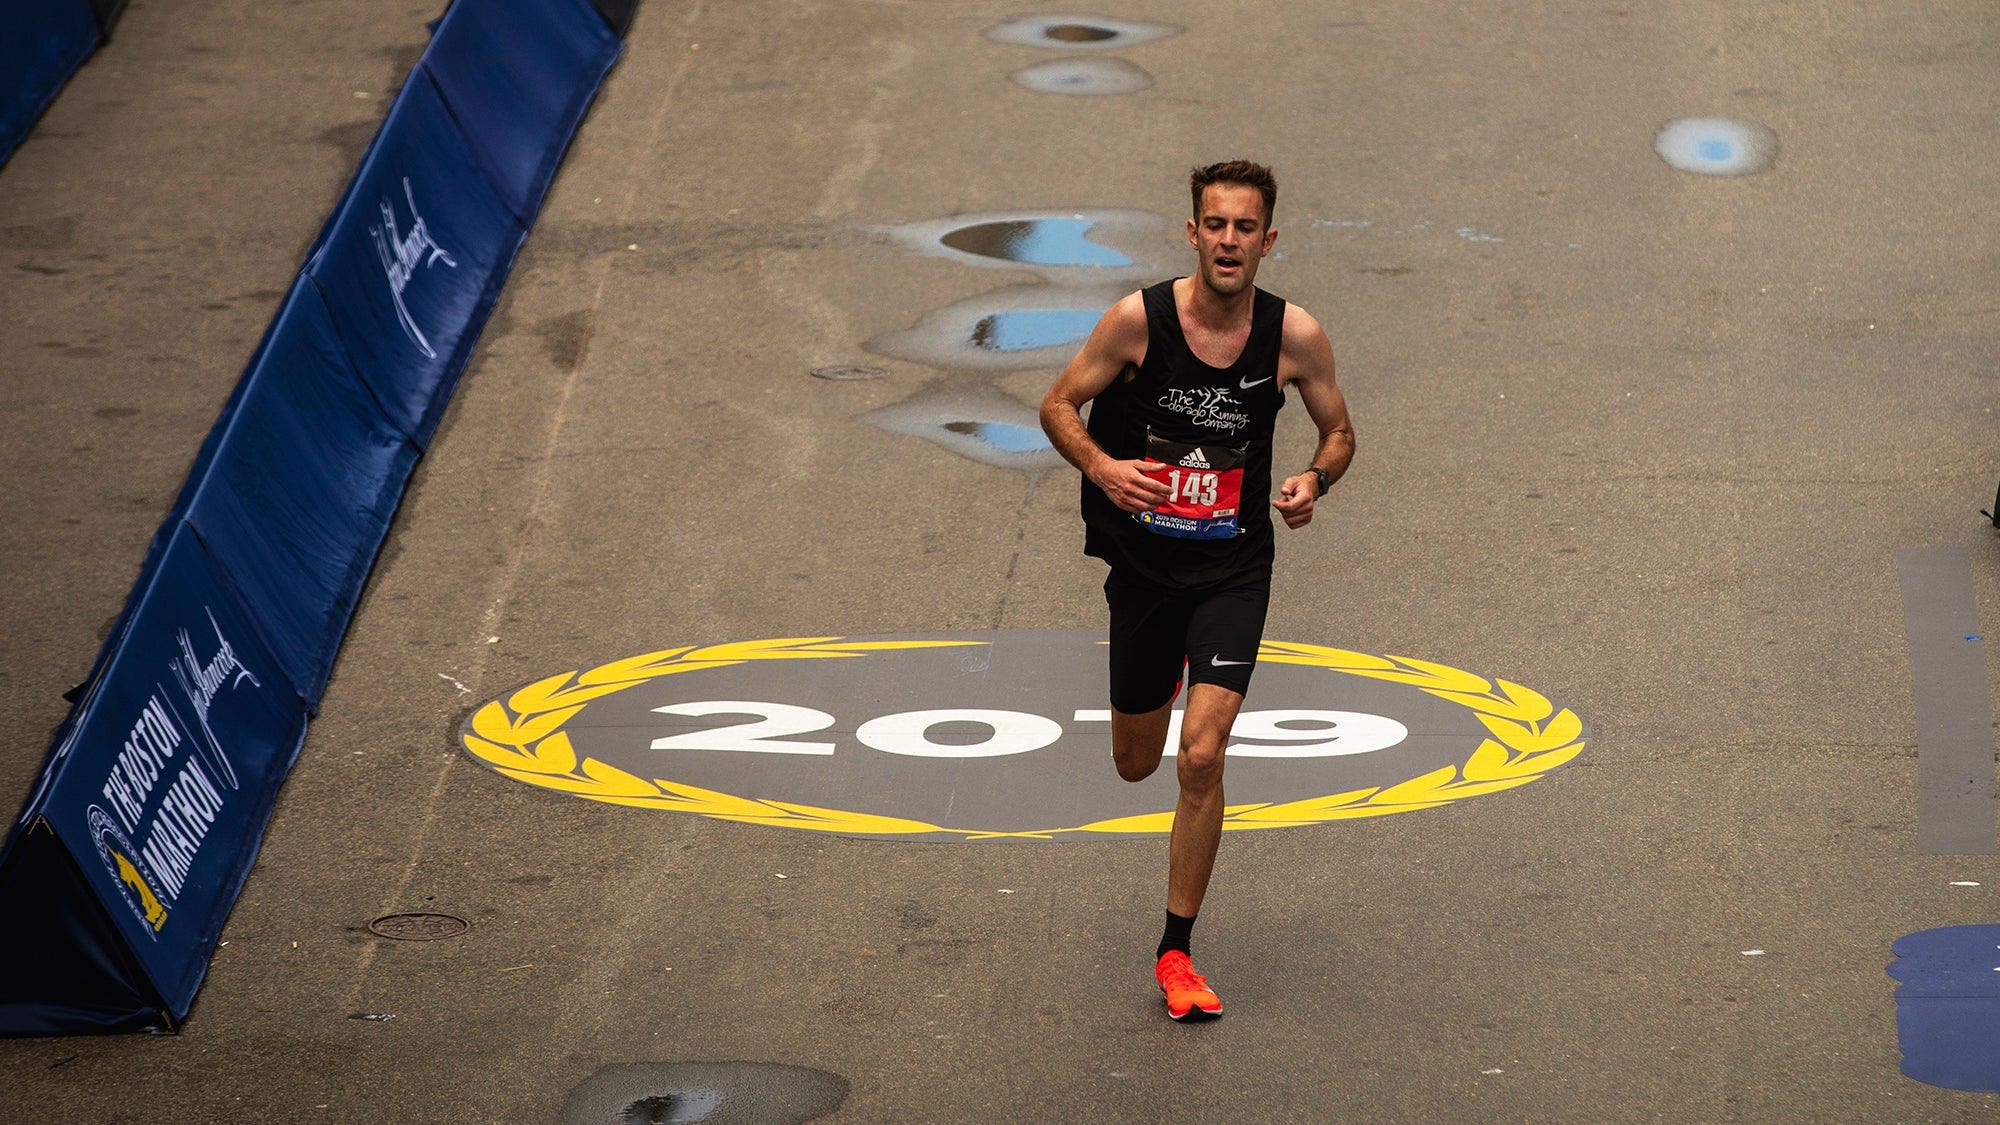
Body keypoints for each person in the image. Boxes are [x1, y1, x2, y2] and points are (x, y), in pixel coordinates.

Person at [1039, 160, 1354, 1022]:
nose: (1228, 240)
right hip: (1144, 571)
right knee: (1136, 762)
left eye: (1244, 228)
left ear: (1268, 240)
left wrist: (1313, 481)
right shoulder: (1138, 321)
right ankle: (1166, 674)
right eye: (1214, 224)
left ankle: (1176, 949)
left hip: (1233, 568)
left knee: (1203, 754)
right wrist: (1104, 467)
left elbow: (1338, 430)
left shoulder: (1295, 338)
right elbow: (1059, 403)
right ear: (1191, 233)